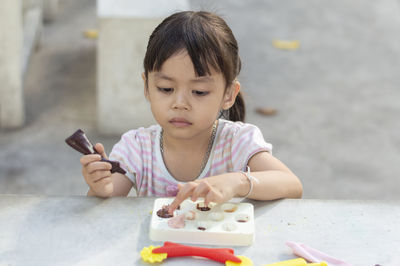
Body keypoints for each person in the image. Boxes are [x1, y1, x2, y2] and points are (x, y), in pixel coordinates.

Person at [80, 11, 302, 213]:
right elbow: (103, 209)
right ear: (147, 87)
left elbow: (292, 185)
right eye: (166, 89)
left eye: (199, 91)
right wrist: (100, 188)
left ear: (228, 95)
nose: (180, 103)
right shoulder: (136, 148)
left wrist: (237, 182)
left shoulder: (237, 142)